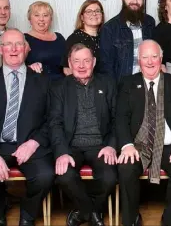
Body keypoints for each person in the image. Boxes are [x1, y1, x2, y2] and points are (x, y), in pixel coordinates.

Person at [0, 29, 55, 226]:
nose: (13, 49)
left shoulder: (43, 81)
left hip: (30, 146)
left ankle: (28, 214)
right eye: (8, 45)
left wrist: (34, 143)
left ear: (26, 48)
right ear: (1, 49)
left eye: (18, 44)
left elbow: (53, 119)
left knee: (45, 176)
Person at [116, 40, 171, 226]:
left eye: (154, 57)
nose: (150, 62)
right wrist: (126, 146)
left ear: (161, 58)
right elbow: (120, 118)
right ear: (138, 60)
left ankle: (170, 218)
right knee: (125, 168)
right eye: (145, 57)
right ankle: (131, 219)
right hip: (138, 145)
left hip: (168, 145)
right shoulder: (127, 83)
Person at [50, 43, 118, 226]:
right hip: (71, 145)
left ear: (94, 62)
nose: (81, 66)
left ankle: (81, 212)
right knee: (64, 175)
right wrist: (62, 151)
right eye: (76, 61)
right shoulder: (59, 88)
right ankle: (92, 213)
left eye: (86, 61)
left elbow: (117, 119)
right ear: (70, 64)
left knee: (110, 177)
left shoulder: (108, 83)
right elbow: (54, 123)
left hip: (100, 145)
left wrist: (111, 145)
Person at [99, 0, 156, 82]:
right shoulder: (109, 28)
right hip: (123, 87)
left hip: (148, 83)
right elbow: (107, 67)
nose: (135, 1)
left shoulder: (150, 23)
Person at [25, 1, 66, 81]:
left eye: (45, 15)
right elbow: (15, 67)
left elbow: (68, 63)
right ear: (30, 19)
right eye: (37, 15)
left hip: (62, 86)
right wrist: (29, 67)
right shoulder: (24, 39)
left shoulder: (60, 37)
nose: (41, 19)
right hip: (38, 86)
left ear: (51, 19)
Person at [62, 0, 105, 76]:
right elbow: (67, 70)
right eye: (89, 11)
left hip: (106, 83)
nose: (94, 14)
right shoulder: (74, 39)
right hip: (85, 86)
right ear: (82, 17)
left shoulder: (107, 36)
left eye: (97, 11)